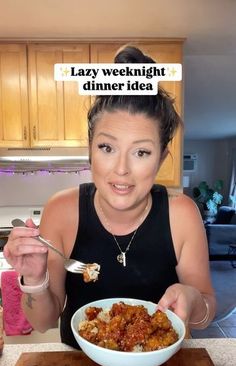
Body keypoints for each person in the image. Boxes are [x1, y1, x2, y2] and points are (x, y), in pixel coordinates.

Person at [4, 45, 216, 349]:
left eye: (141, 152)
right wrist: (35, 281)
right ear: (91, 150)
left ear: (161, 158)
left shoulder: (181, 214)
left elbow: (205, 312)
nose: (121, 169)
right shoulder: (62, 211)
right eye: (107, 148)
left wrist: (194, 300)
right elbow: (44, 321)